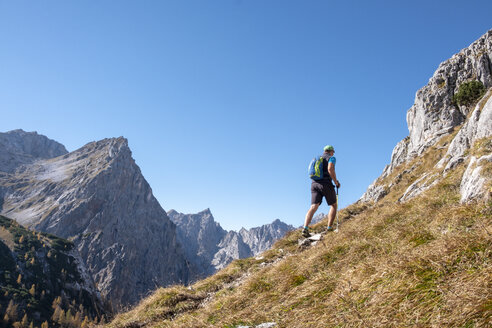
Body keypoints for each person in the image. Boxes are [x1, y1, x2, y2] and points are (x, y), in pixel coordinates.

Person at [302, 145, 340, 238]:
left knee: (313, 207)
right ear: (330, 151)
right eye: (333, 151)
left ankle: (305, 228)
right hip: (325, 183)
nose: (333, 153)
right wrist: (336, 182)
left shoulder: (317, 158)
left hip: (314, 184)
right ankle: (329, 228)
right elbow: (330, 169)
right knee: (334, 205)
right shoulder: (331, 158)